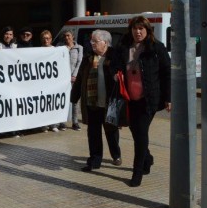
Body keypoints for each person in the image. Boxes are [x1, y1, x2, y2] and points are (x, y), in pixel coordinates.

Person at [112, 16, 170, 187]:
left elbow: (167, 73)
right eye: (135, 29)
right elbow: (114, 64)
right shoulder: (123, 46)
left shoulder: (156, 47)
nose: (138, 32)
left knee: (141, 134)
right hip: (129, 98)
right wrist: (115, 73)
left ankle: (137, 173)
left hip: (149, 100)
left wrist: (168, 98)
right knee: (136, 132)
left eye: (141, 29)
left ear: (147, 30)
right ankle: (148, 158)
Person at [72, 29, 121, 172]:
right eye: (91, 41)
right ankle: (94, 161)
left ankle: (116, 154)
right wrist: (74, 97)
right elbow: (80, 78)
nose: (92, 44)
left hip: (109, 102)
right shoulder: (88, 58)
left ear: (105, 43)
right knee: (93, 133)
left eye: (95, 41)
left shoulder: (115, 56)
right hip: (92, 103)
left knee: (111, 131)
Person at [40, 30, 61, 132]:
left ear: (51, 39)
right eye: (44, 38)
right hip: (43, 83)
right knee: (44, 103)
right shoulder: (37, 51)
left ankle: (54, 125)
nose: (46, 40)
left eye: (48, 38)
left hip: (53, 82)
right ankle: (44, 125)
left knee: (53, 102)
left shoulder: (56, 50)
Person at [63, 30, 83, 131]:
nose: (67, 38)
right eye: (65, 36)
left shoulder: (79, 48)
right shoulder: (61, 48)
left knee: (74, 101)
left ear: (73, 37)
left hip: (74, 78)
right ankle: (62, 122)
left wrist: (74, 75)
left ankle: (75, 122)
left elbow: (79, 62)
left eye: (68, 36)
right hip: (63, 78)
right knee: (63, 99)